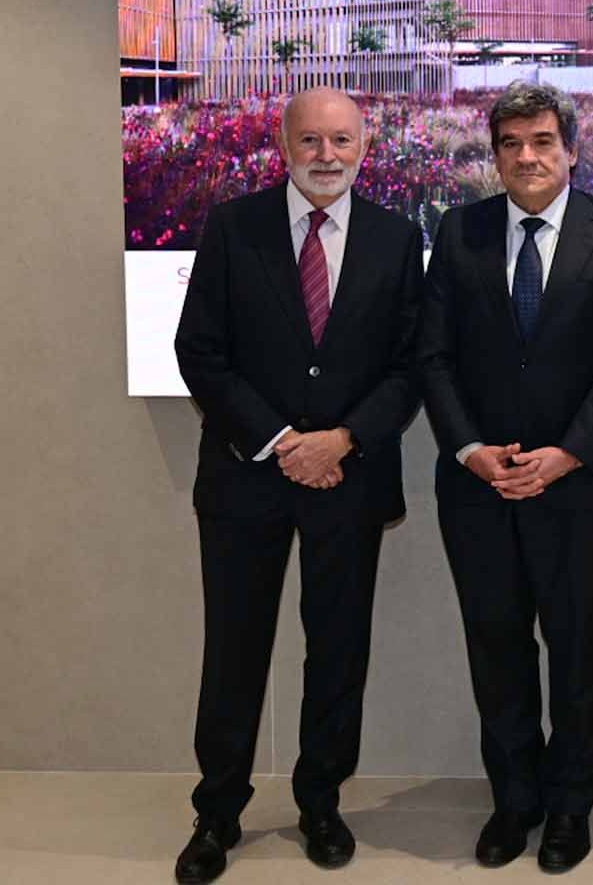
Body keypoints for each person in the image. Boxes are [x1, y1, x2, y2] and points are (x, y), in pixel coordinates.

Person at [171, 86, 425, 883]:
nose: (326, 155)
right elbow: (200, 353)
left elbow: (413, 365)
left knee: (338, 649)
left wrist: (342, 440)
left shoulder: (395, 236)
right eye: (311, 140)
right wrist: (282, 442)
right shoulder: (231, 227)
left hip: (349, 479)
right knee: (234, 650)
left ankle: (321, 802)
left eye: (341, 140)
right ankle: (217, 812)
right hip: (248, 478)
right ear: (284, 145)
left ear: (364, 146)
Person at [419, 81, 593, 873]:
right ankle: (513, 800)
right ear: (493, 155)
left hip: (579, 485)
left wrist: (567, 454)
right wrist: (469, 449)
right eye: (511, 143)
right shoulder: (459, 232)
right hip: (478, 484)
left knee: (578, 650)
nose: (527, 156)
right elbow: (434, 358)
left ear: (572, 150)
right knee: (497, 646)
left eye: (543, 140)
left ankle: (568, 807)